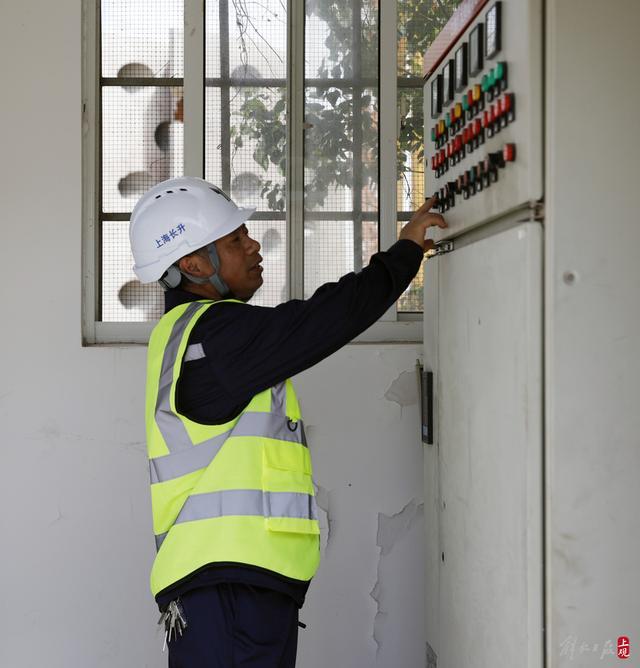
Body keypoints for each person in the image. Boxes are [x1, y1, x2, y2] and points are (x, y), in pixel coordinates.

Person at [129, 176, 447, 667]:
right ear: (193, 264)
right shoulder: (213, 339)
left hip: (230, 587)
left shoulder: (194, 337)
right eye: (235, 240)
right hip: (228, 589)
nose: (253, 246)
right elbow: (320, 320)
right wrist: (404, 253)